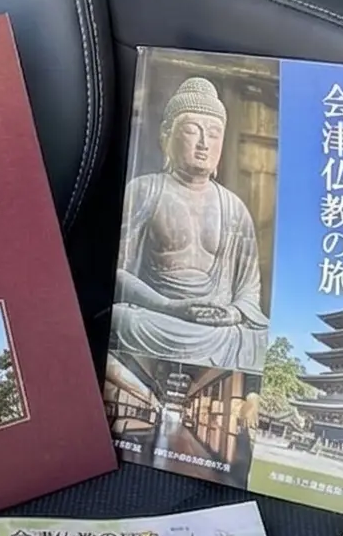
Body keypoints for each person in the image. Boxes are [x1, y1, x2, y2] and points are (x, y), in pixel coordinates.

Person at [111, 74, 269, 379]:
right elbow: (117, 275)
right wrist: (170, 306)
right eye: (191, 131)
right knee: (120, 320)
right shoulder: (145, 190)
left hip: (216, 327)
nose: (203, 144)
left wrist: (233, 312)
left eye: (213, 134)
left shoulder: (235, 209)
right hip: (158, 316)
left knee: (257, 341)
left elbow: (249, 290)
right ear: (166, 137)